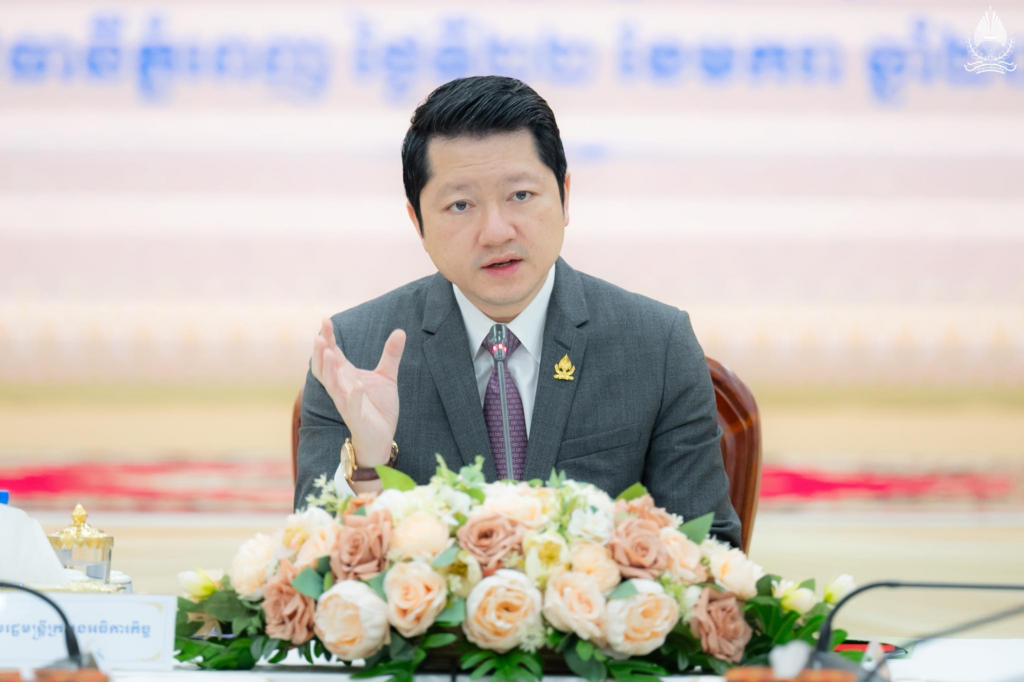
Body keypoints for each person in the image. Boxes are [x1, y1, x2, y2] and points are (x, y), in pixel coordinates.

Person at [295, 75, 741, 547]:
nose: (496, 232)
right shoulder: (354, 351)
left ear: (565, 197)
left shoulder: (656, 345)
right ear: (417, 223)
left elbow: (709, 550)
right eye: (460, 205)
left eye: (521, 196)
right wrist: (369, 463)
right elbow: (308, 560)